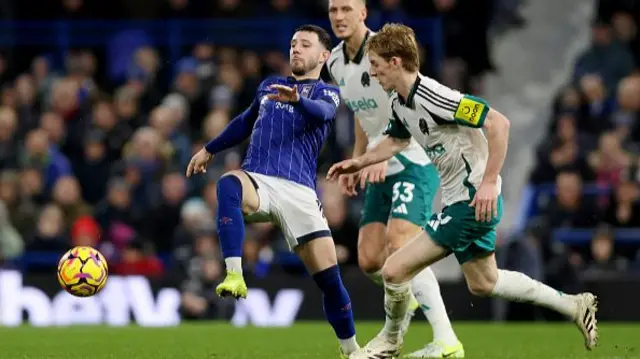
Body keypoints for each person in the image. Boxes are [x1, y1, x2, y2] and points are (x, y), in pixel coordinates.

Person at [328, 23, 598, 358]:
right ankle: (573, 305)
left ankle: (393, 342)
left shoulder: (436, 96)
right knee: (484, 283)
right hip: (463, 201)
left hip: (471, 201)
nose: (373, 73)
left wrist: (488, 182)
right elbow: (397, 140)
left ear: (396, 62)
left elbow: (498, 124)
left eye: (378, 66)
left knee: (395, 269)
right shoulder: (399, 102)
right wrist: (361, 161)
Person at [186, 25, 359, 358]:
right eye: (293, 43)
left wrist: (299, 101)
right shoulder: (269, 85)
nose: (295, 49)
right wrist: (210, 149)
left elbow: (323, 113)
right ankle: (234, 274)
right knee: (229, 182)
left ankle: (352, 351)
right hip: (260, 181)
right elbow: (244, 121)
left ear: (323, 56)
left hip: (300, 194)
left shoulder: (327, 92)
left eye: (305, 45)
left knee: (330, 282)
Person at [326, 0, 463, 357]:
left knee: (401, 246)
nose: (339, 17)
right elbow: (360, 110)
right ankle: (406, 301)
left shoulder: (383, 54)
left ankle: (445, 339)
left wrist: (385, 154)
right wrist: (359, 158)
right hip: (376, 161)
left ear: (363, 13)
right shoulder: (335, 62)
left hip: (412, 158)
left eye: (346, 9)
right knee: (370, 260)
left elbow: (409, 109)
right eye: (333, 10)